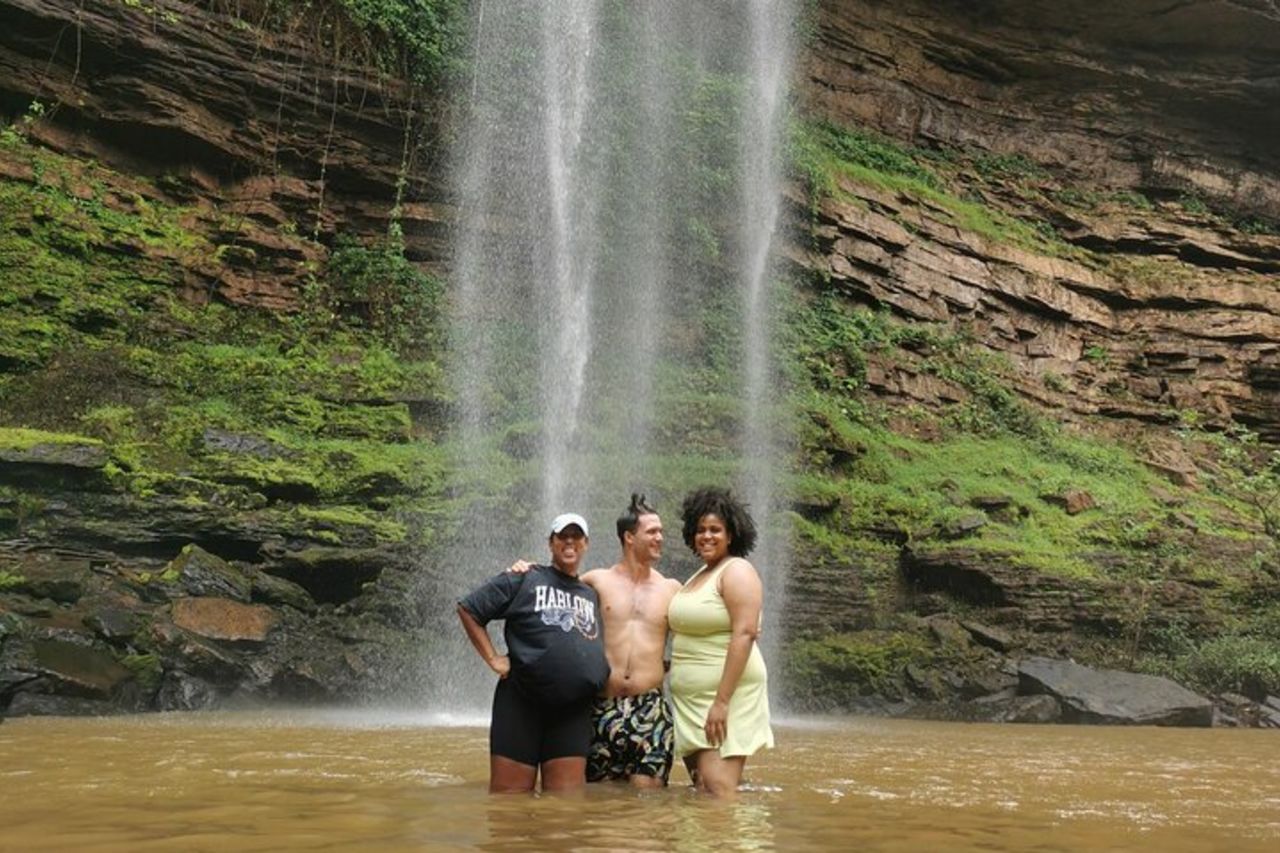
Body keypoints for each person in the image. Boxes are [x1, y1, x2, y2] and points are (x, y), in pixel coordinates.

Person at [511, 494, 682, 787]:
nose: (660, 538)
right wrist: (525, 570)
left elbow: (707, 619)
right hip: (602, 705)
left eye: (661, 532)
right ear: (629, 537)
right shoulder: (595, 581)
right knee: (599, 801)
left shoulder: (672, 589)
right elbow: (552, 588)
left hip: (650, 707)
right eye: (652, 531)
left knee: (648, 804)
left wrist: (749, 615)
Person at [457, 512, 610, 794]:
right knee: (510, 801)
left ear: (586, 543)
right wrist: (493, 658)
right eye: (562, 536)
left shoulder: (590, 594)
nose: (569, 542)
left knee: (565, 807)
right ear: (550, 543)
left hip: (572, 710)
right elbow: (469, 608)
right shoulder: (524, 578)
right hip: (521, 703)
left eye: (576, 536)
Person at [668, 487, 773, 797]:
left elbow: (745, 633)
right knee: (703, 788)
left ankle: (739, 841)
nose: (707, 536)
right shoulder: (700, 575)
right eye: (700, 530)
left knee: (717, 789)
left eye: (715, 529)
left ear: (731, 534)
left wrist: (721, 702)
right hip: (692, 702)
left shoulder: (737, 570)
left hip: (725, 696)